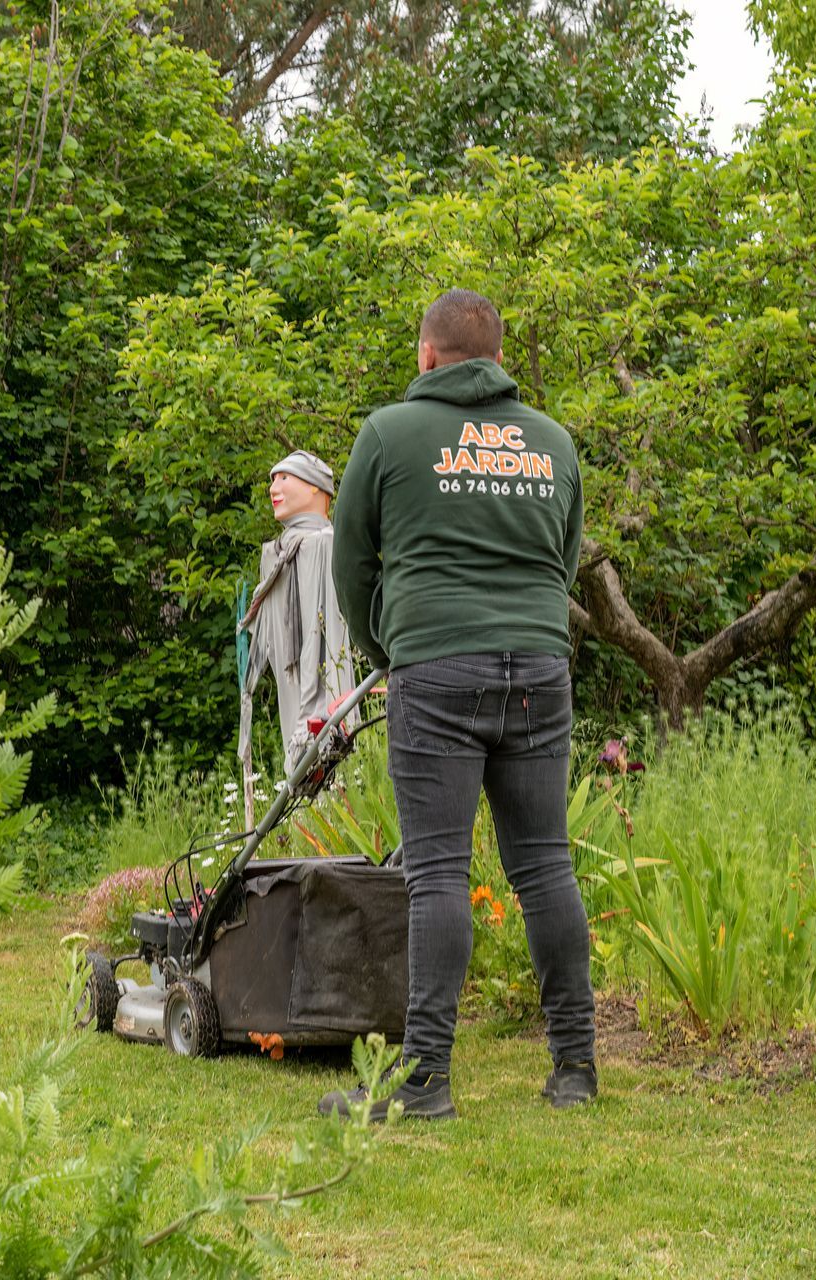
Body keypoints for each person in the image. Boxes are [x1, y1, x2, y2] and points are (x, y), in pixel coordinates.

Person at [320, 289, 595, 1121]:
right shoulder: (552, 443)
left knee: (437, 869)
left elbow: (352, 569)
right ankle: (576, 1069)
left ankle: (427, 1082)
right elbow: (565, 560)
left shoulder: (389, 434)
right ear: (499, 361)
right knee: (544, 864)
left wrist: (390, 651)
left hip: (436, 667)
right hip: (540, 670)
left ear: (427, 356)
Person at [237, 451, 357, 805]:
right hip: (289, 676)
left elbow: (330, 634)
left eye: (284, 478)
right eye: (273, 479)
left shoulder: (325, 543)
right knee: (297, 758)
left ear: (316, 488)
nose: (273, 487)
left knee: (325, 756)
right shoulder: (277, 551)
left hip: (325, 681)